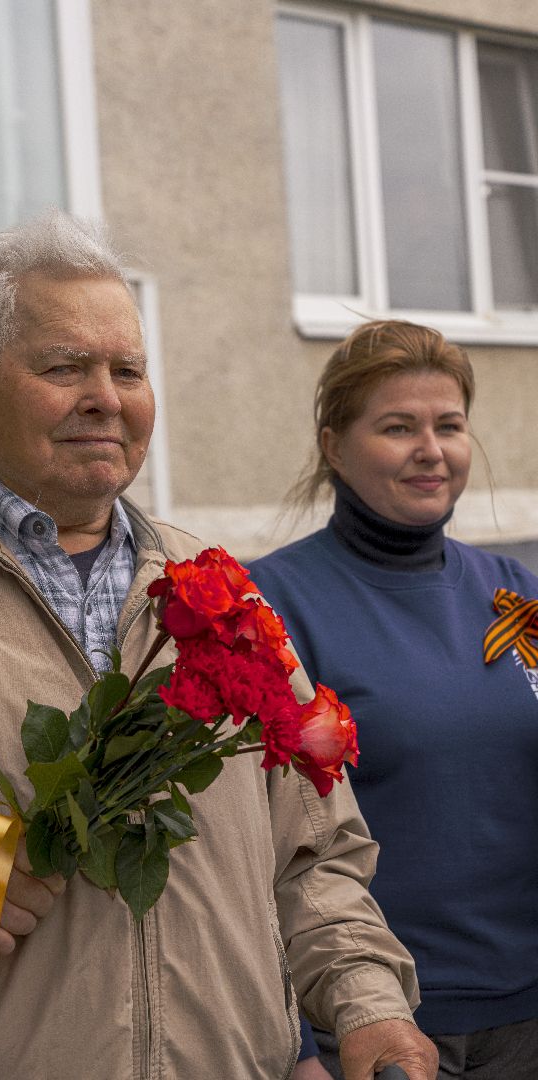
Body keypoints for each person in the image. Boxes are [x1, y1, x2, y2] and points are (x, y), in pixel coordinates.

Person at [0, 216, 436, 1080]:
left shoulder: (218, 589)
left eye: (128, 370)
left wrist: (367, 1008)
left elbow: (313, 852)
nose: (105, 397)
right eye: (64, 367)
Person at [250, 319, 538, 1080]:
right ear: (333, 445)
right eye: (397, 427)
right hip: (381, 1028)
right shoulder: (272, 604)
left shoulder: (516, 594)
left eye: (449, 425)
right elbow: (255, 842)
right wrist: (299, 1044)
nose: (431, 450)